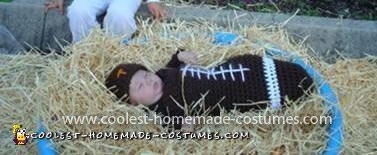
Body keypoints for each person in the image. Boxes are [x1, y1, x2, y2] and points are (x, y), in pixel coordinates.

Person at [105, 50, 314, 130]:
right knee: (248, 96)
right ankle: (282, 89)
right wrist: (184, 127)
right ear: (133, 103)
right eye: (140, 86)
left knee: (244, 63)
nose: (150, 81)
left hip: (220, 73)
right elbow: (174, 131)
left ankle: (276, 71)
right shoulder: (162, 110)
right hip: (225, 96)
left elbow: (173, 65)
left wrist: (180, 57)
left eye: (145, 75)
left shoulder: (162, 74)